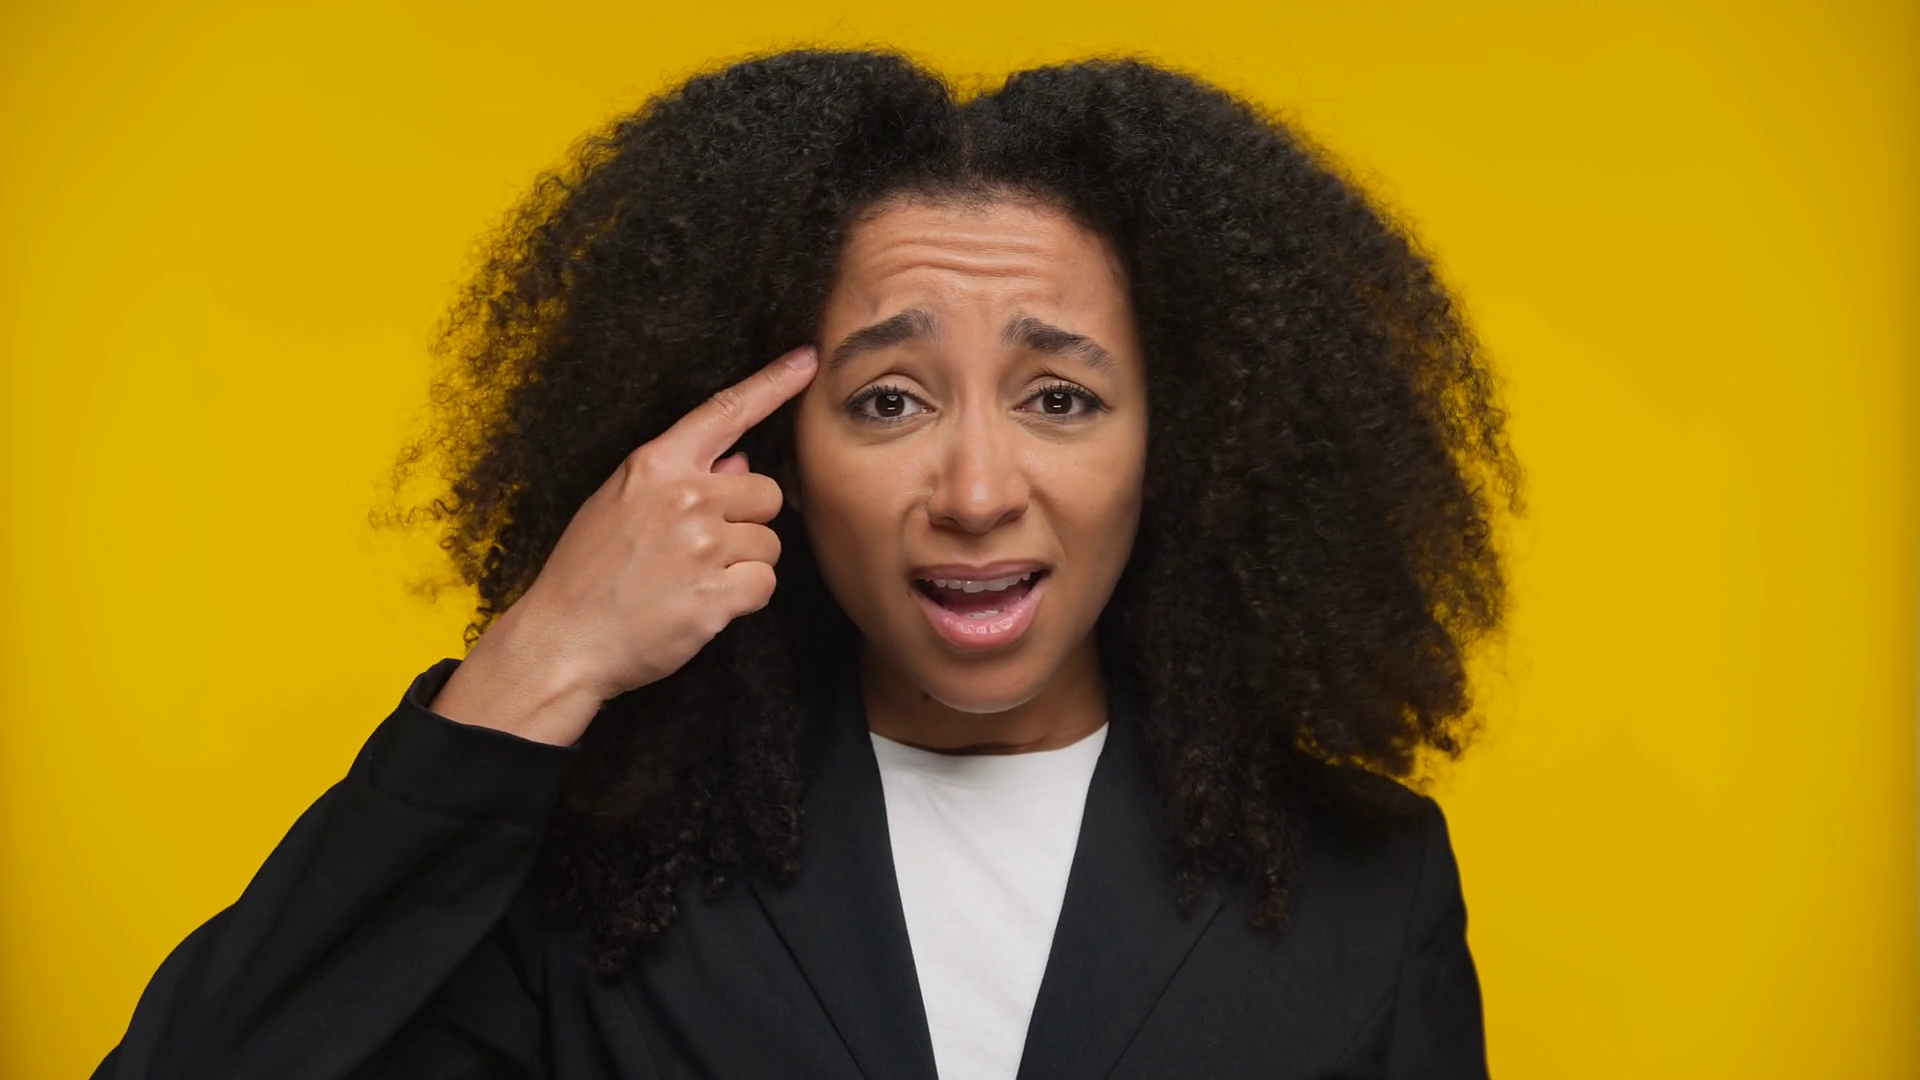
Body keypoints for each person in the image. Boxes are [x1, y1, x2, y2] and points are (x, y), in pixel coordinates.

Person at [93, 48, 1521, 1080]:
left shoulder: (1368, 888)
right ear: (775, 449)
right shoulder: (598, 872)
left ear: (1181, 444)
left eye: (1061, 397)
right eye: (888, 401)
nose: (976, 493)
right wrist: (542, 656)